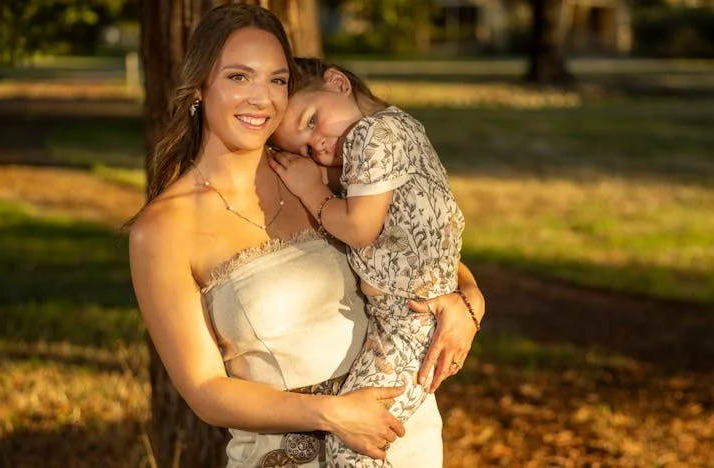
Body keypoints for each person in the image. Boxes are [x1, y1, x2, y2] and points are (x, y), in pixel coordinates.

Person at [128, 4, 485, 468]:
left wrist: (469, 304)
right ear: (200, 88)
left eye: (277, 80)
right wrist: (332, 415)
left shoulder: (321, 173)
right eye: (239, 77)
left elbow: (425, 246)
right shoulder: (162, 230)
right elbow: (204, 390)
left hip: (405, 439)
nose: (262, 99)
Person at [268, 58, 478, 467]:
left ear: (338, 83)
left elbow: (360, 228)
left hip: (408, 321)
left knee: (353, 444)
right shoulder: (403, 126)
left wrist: (312, 190)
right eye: (308, 149)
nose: (321, 146)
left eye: (312, 121)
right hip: (416, 316)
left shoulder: (371, 134)